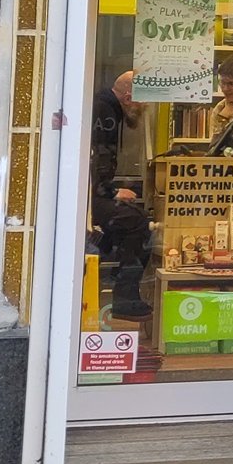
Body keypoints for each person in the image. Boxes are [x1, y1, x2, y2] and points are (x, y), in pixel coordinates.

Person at [90, 70, 153, 321]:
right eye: (141, 99)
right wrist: (112, 191)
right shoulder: (106, 111)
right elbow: (99, 157)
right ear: (128, 97)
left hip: (92, 193)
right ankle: (125, 297)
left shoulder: (104, 106)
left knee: (132, 217)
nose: (143, 106)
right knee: (137, 223)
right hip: (93, 194)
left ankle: (103, 250)